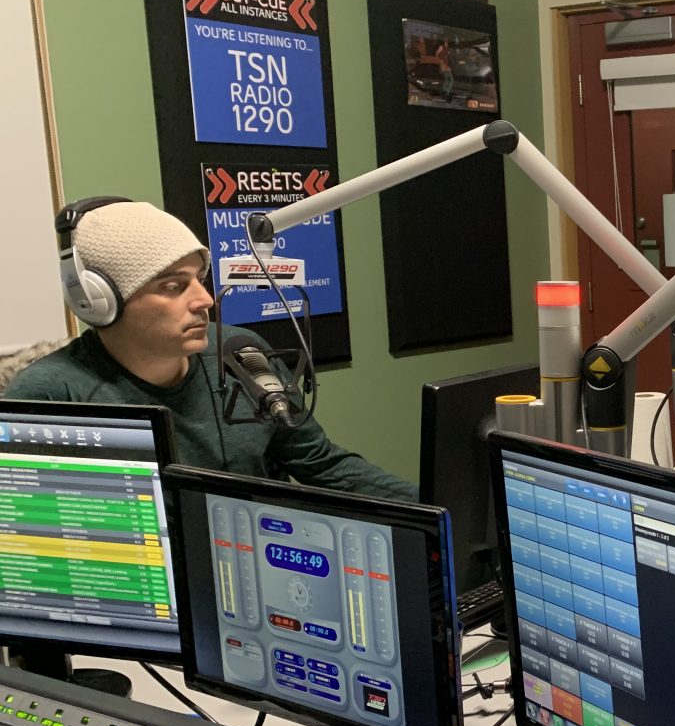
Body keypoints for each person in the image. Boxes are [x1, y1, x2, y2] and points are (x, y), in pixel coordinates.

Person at [5, 200, 415, 502]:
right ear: (99, 302)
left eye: (199, 280)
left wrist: (435, 506)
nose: (204, 300)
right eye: (173, 286)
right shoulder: (51, 393)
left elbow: (322, 463)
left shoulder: (240, 351)